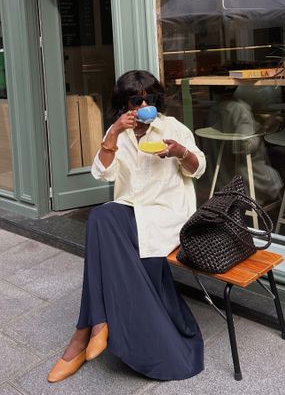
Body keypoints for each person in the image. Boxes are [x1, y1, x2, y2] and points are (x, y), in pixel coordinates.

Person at [48, 70, 206, 383]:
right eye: (136, 99)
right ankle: (98, 326)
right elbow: (101, 173)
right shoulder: (118, 132)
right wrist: (112, 135)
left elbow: (198, 167)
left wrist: (180, 152)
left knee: (103, 227)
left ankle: (87, 330)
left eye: (150, 99)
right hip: (130, 210)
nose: (144, 104)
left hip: (167, 214)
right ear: (124, 104)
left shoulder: (171, 128)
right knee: (101, 218)